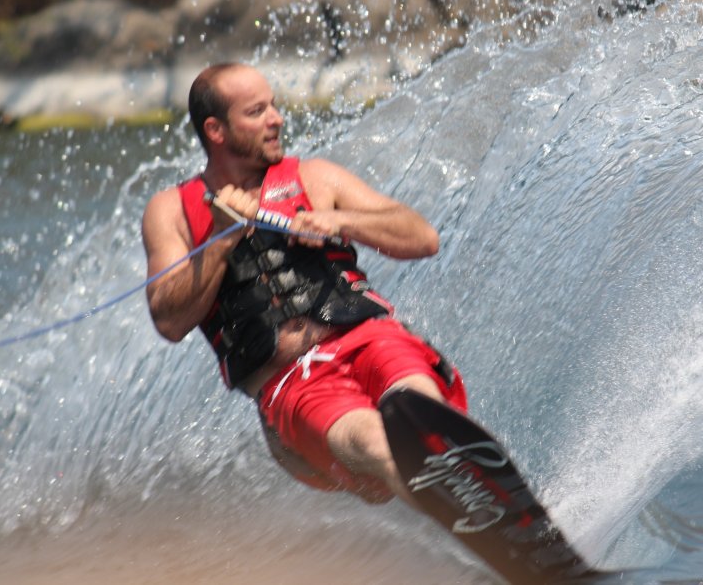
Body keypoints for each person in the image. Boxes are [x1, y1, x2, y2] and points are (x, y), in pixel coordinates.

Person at [141, 62, 467, 505]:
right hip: (293, 383)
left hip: (367, 338)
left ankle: (468, 481)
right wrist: (220, 240)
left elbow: (422, 237)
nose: (276, 118)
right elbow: (168, 320)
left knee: (417, 405)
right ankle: (468, 513)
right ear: (216, 130)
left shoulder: (315, 177)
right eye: (257, 111)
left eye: (274, 106)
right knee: (374, 441)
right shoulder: (171, 212)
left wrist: (340, 218)